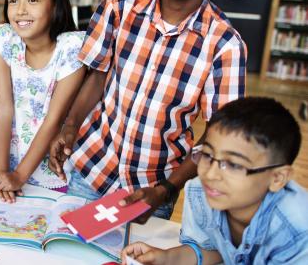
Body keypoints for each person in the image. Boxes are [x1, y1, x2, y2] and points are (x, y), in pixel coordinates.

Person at [49, 0, 246, 221]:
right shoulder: (119, 4)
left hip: (152, 190)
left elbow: (218, 134)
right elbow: (97, 76)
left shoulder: (225, 45)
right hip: (91, 169)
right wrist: (70, 127)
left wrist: (165, 190)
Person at [122, 97, 308, 265]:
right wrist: (165, 258)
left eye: (233, 164)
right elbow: (211, 251)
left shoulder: (298, 231)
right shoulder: (201, 192)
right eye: (208, 155)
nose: (210, 175)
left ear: (277, 178)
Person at [0, 0, 85, 203]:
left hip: (54, 171)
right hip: (11, 163)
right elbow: (4, 108)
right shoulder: (3, 40)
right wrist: (2, 171)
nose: (20, 11)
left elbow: (54, 118)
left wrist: (20, 175)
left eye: (32, 0)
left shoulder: (72, 48)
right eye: (12, 1)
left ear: (55, 6)